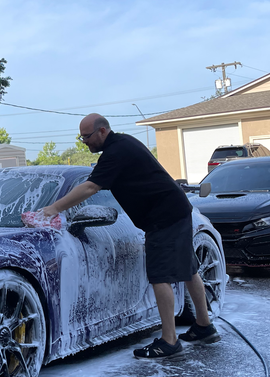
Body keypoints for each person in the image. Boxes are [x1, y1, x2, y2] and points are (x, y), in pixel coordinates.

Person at [42, 113, 220, 359]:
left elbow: (91, 186)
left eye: (87, 137)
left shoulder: (116, 152)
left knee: (160, 275)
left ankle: (169, 341)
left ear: (102, 131)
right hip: (174, 210)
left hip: (164, 217)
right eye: (81, 138)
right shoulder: (123, 144)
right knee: (189, 270)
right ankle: (204, 326)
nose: (85, 142)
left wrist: (53, 209)